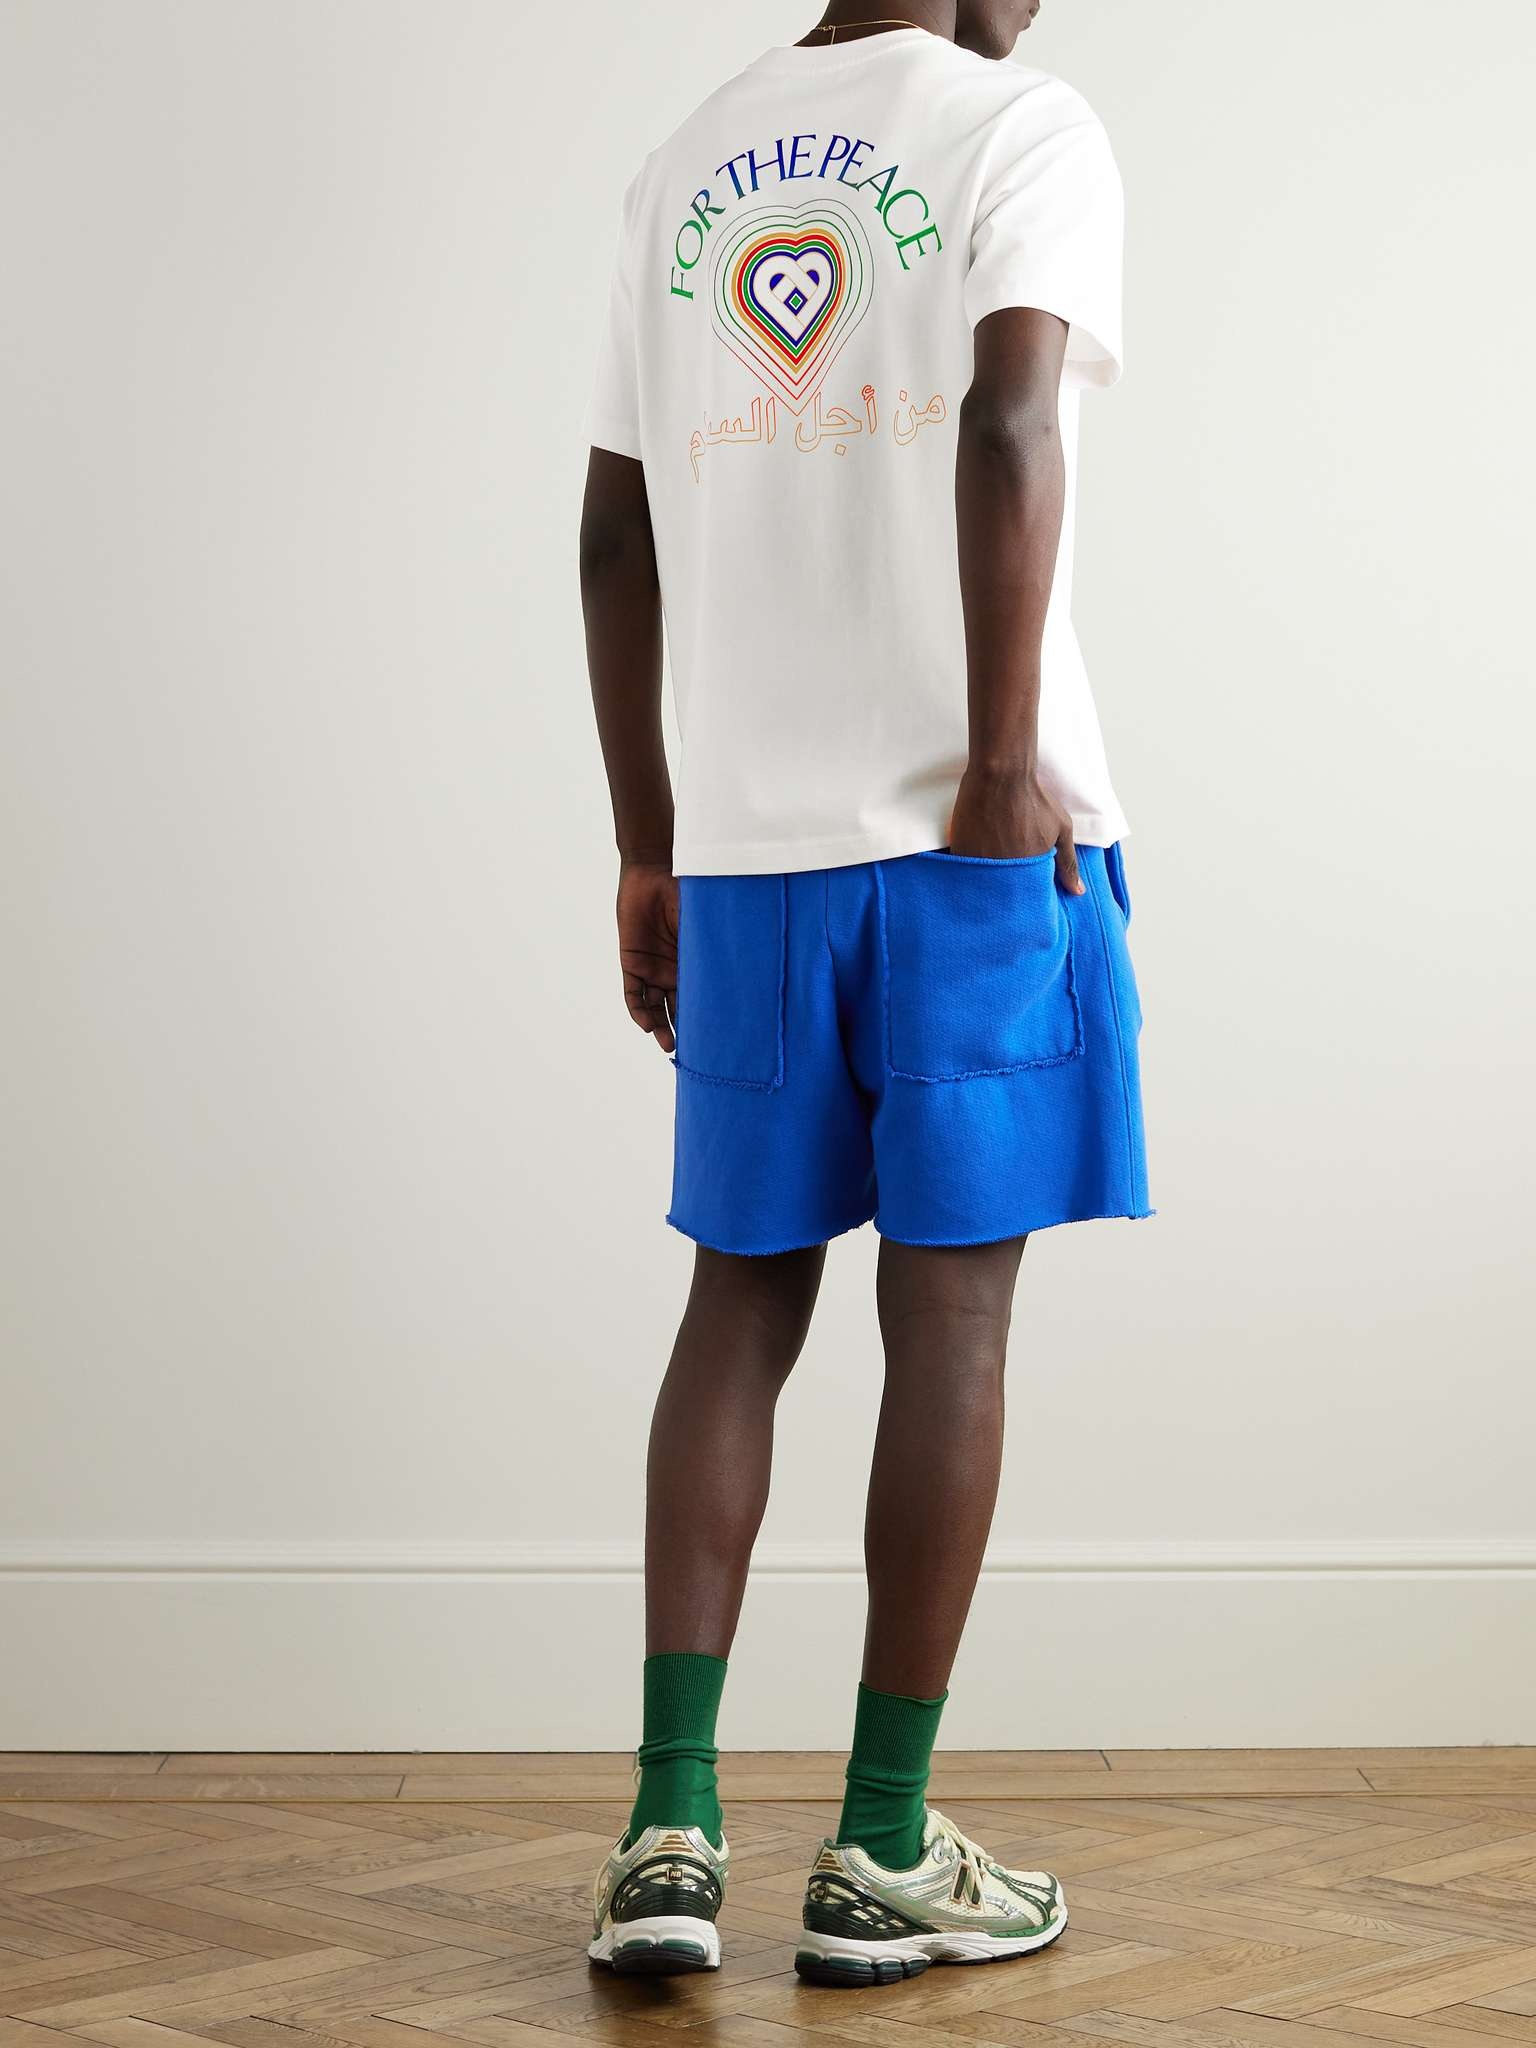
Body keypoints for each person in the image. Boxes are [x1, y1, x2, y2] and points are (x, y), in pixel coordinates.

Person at [577, 0, 1147, 1990]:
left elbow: (615, 533)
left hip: (748, 856)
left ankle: (667, 1834)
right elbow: (1009, 420)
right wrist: (999, 768)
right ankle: (884, 1846)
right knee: (952, 1317)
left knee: (739, 1304)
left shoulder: (683, 167)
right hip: (967, 834)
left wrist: (650, 843)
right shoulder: (1019, 127)